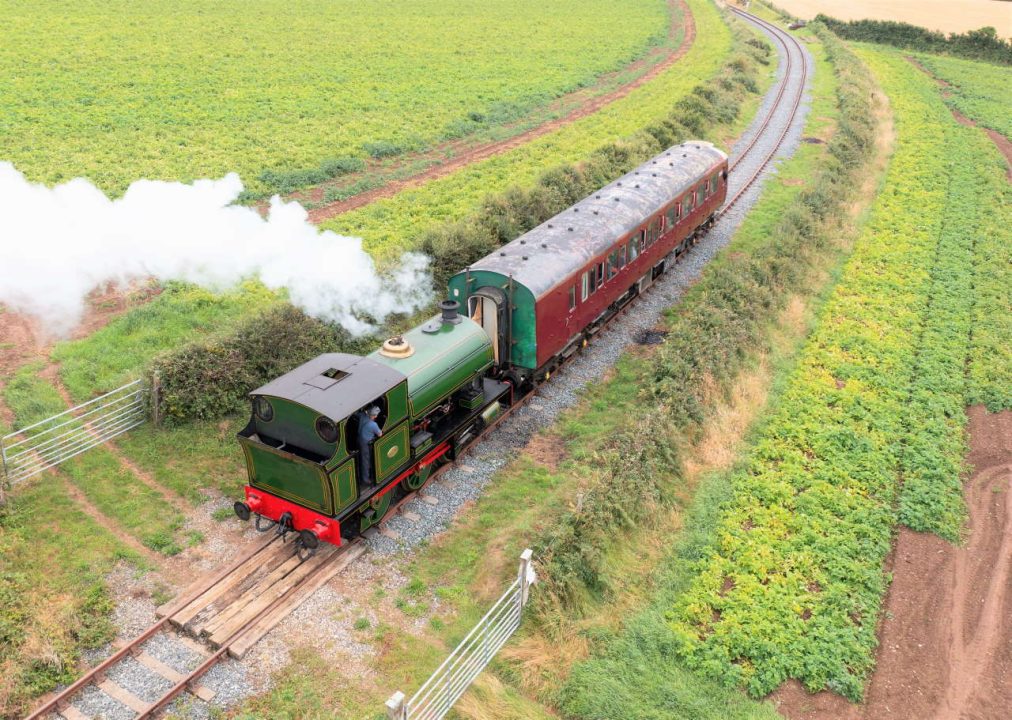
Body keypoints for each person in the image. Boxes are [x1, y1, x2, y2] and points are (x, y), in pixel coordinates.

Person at [357, 406, 383, 486]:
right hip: (366, 443)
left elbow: (357, 414)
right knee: (366, 461)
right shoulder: (373, 424)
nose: (376, 416)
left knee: (363, 459)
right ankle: (366, 479)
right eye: (375, 415)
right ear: (373, 416)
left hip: (359, 439)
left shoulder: (362, 415)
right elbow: (380, 434)